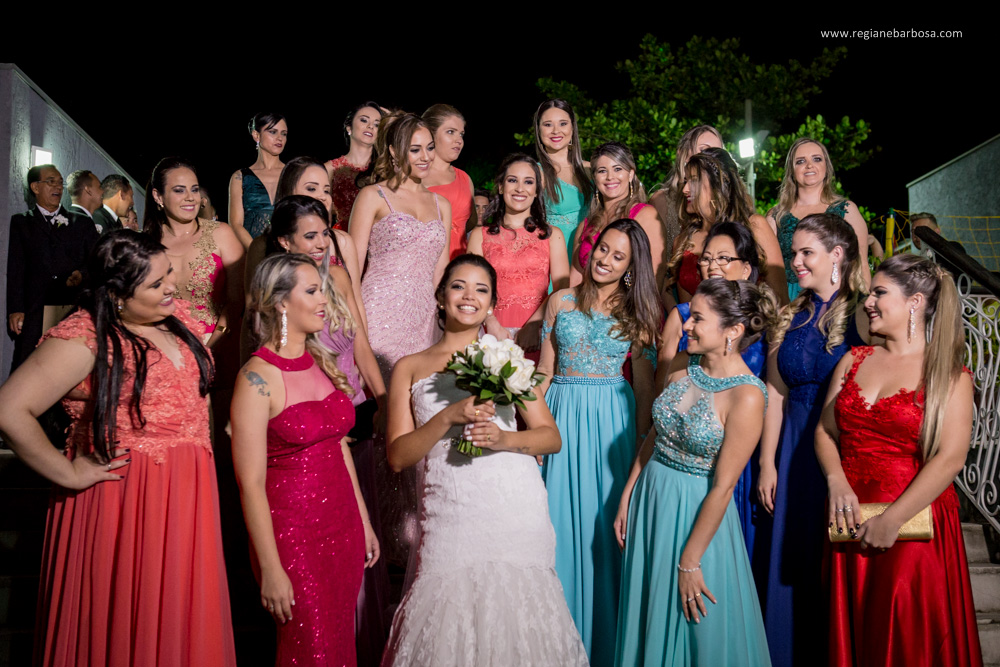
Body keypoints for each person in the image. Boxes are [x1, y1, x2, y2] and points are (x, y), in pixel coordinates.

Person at [0, 230, 236, 666]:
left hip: (187, 498)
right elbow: (9, 410)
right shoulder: (86, 336)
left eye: (169, 274)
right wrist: (67, 472)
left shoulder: (177, 318)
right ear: (118, 296)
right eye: (156, 283)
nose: (171, 287)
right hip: (124, 504)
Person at [380, 254, 588, 666]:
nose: (469, 296)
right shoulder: (409, 367)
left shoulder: (507, 357)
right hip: (452, 512)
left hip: (514, 507)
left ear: (492, 304)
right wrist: (447, 417)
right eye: (458, 286)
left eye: (481, 289)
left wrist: (503, 438)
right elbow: (398, 457)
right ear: (440, 297)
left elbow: (550, 438)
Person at [814, 253, 983, 666]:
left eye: (879, 293)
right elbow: (823, 431)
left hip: (912, 522)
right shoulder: (854, 360)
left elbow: (950, 457)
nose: (868, 301)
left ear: (915, 302)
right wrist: (836, 480)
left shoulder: (949, 373)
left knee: (904, 635)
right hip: (848, 520)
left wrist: (892, 520)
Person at [614, 278, 775, 667]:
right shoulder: (684, 367)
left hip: (696, 515)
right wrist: (627, 496)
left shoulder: (748, 396)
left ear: (732, 331)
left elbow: (723, 487)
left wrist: (690, 559)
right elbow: (655, 436)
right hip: (653, 498)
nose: (686, 325)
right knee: (648, 611)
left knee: (695, 632)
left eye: (697, 319)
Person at [232, 253, 378, 667]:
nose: (324, 301)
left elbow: (339, 446)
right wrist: (271, 566)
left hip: (344, 529)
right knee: (309, 650)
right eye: (313, 291)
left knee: (337, 646)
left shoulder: (319, 361)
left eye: (324, 291)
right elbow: (250, 484)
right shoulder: (256, 378)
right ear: (280, 302)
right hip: (294, 537)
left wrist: (363, 522)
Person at [264, 195, 391, 663]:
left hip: (351, 414)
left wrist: (384, 403)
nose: (321, 244)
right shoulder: (277, 295)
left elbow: (360, 344)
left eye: (325, 233)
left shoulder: (336, 276)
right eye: (309, 236)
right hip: (305, 433)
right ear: (284, 241)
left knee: (360, 540)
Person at [539, 218, 661, 664]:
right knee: (554, 523)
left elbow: (645, 387)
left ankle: (604, 643)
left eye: (618, 256)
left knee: (603, 530)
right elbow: (544, 374)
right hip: (560, 415)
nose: (605, 260)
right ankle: (553, 642)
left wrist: (643, 446)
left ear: (632, 267)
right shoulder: (560, 301)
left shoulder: (639, 313)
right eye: (602, 249)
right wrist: (531, 427)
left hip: (612, 423)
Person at [755, 213, 869, 667]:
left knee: (834, 566)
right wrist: (768, 463)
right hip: (792, 449)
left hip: (844, 453)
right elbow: (775, 394)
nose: (796, 262)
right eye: (794, 253)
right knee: (792, 558)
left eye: (807, 253)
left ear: (837, 254)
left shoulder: (864, 310)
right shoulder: (791, 314)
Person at [349, 111, 451, 568]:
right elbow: (349, 270)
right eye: (416, 148)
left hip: (421, 327)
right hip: (377, 320)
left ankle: (410, 549)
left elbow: (440, 278)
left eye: (431, 147)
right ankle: (371, 548)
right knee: (375, 426)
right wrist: (358, 332)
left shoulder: (442, 205)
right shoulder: (372, 196)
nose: (426, 156)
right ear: (392, 151)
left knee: (416, 426)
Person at [655, 222, 770, 556]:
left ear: (746, 268)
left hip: (738, 458)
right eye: (706, 258)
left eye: (724, 258)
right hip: (680, 461)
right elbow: (674, 408)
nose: (712, 265)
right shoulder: (687, 348)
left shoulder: (764, 336)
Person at [244, 157, 365, 332]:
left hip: (338, 344)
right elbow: (252, 313)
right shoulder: (262, 245)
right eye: (311, 188)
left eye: (326, 190)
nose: (322, 197)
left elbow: (357, 307)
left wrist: (362, 354)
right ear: (288, 193)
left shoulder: (342, 242)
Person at [466, 153, 569, 350]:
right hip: (490, 334)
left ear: (537, 190)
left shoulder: (551, 235)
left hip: (538, 334)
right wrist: (491, 324)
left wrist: (534, 325)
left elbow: (562, 288)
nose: (520, 188)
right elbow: (472, 287)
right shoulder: (480, 235)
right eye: (512, 180)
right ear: (501, 186)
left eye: (528, 182)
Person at [143, 157, 244, 348]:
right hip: (161, 348)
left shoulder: (221, 234)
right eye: (179, 190)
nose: (190, 197)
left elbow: (236, 301)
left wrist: (209, 348)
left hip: (219, 345)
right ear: (158, 196)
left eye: (194, 189)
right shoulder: (145, 243)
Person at [668, 147, 787, 307]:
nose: (685, 189)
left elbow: (780, 299)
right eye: (686, 181)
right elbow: (686, 311)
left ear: (719, 184)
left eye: (694, 180)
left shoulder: (754, 227)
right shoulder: (683, 242)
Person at [6, 164, 98, 370]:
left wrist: (81, 275)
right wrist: (15, 309)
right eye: (51, 182)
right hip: (34, 311)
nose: (58, 187)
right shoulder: (21, 223)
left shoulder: (82, 223)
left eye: (60, 182)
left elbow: (96, 264)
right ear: (35, 187)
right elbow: (16, 268)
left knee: (65, 368)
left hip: (70, 309)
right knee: (27, 368)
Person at [766, 137, 870, 298]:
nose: (809, 165)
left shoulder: (847, 210)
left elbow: (861, 267)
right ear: (791, 171)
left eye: (817, 159)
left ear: (826, 167)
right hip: (788, 300)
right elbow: (768, 270)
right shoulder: (776, 215)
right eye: (800, 161)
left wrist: (861, 311)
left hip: (836, 297)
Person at [571, 142, 666, 291]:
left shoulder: (646, 216)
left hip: (631, 309)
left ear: (631, 174)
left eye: (617, 169)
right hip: (587, 308)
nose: (610, 177)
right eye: (602, 171)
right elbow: (574, 281)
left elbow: (654, 279)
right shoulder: (585, 226)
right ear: (595, 178)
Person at [649, 124, 724, 257]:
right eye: (704, 150)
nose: (710, 158)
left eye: (717, 153)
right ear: (682, 154)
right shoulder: (662, 200)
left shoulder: (731, 204)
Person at [533, 99, 593, 261]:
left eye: (563, 123)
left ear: (572, 127)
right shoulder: (534, 172)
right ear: (538, 130)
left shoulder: (591, 170)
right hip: (551, 259)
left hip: (589, 257)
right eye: (547, 124)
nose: (555, 131)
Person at [422, 104, 477, 259]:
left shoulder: (465, 179)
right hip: (425, 263)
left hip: (458, 263)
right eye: (451, 132)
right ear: (430, 134)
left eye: (461, 134)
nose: (458, 140)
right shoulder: (415, 176)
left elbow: (471, 223)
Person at [229, 112, 287, 249]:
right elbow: (235, 224)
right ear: (256, 135)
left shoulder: (294, 173)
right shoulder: (240, 177)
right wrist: (256, 252)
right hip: (251, 253)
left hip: (287, 254)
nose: (280, 138)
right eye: (273, 132)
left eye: (284, 133)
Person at [326, 101, 383, 230]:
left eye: (377, 125)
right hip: (343, 237)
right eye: (364, 120)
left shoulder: (385, 169)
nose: (370, 126)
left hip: (378, 239)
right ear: (349, 127)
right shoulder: (330, 169)